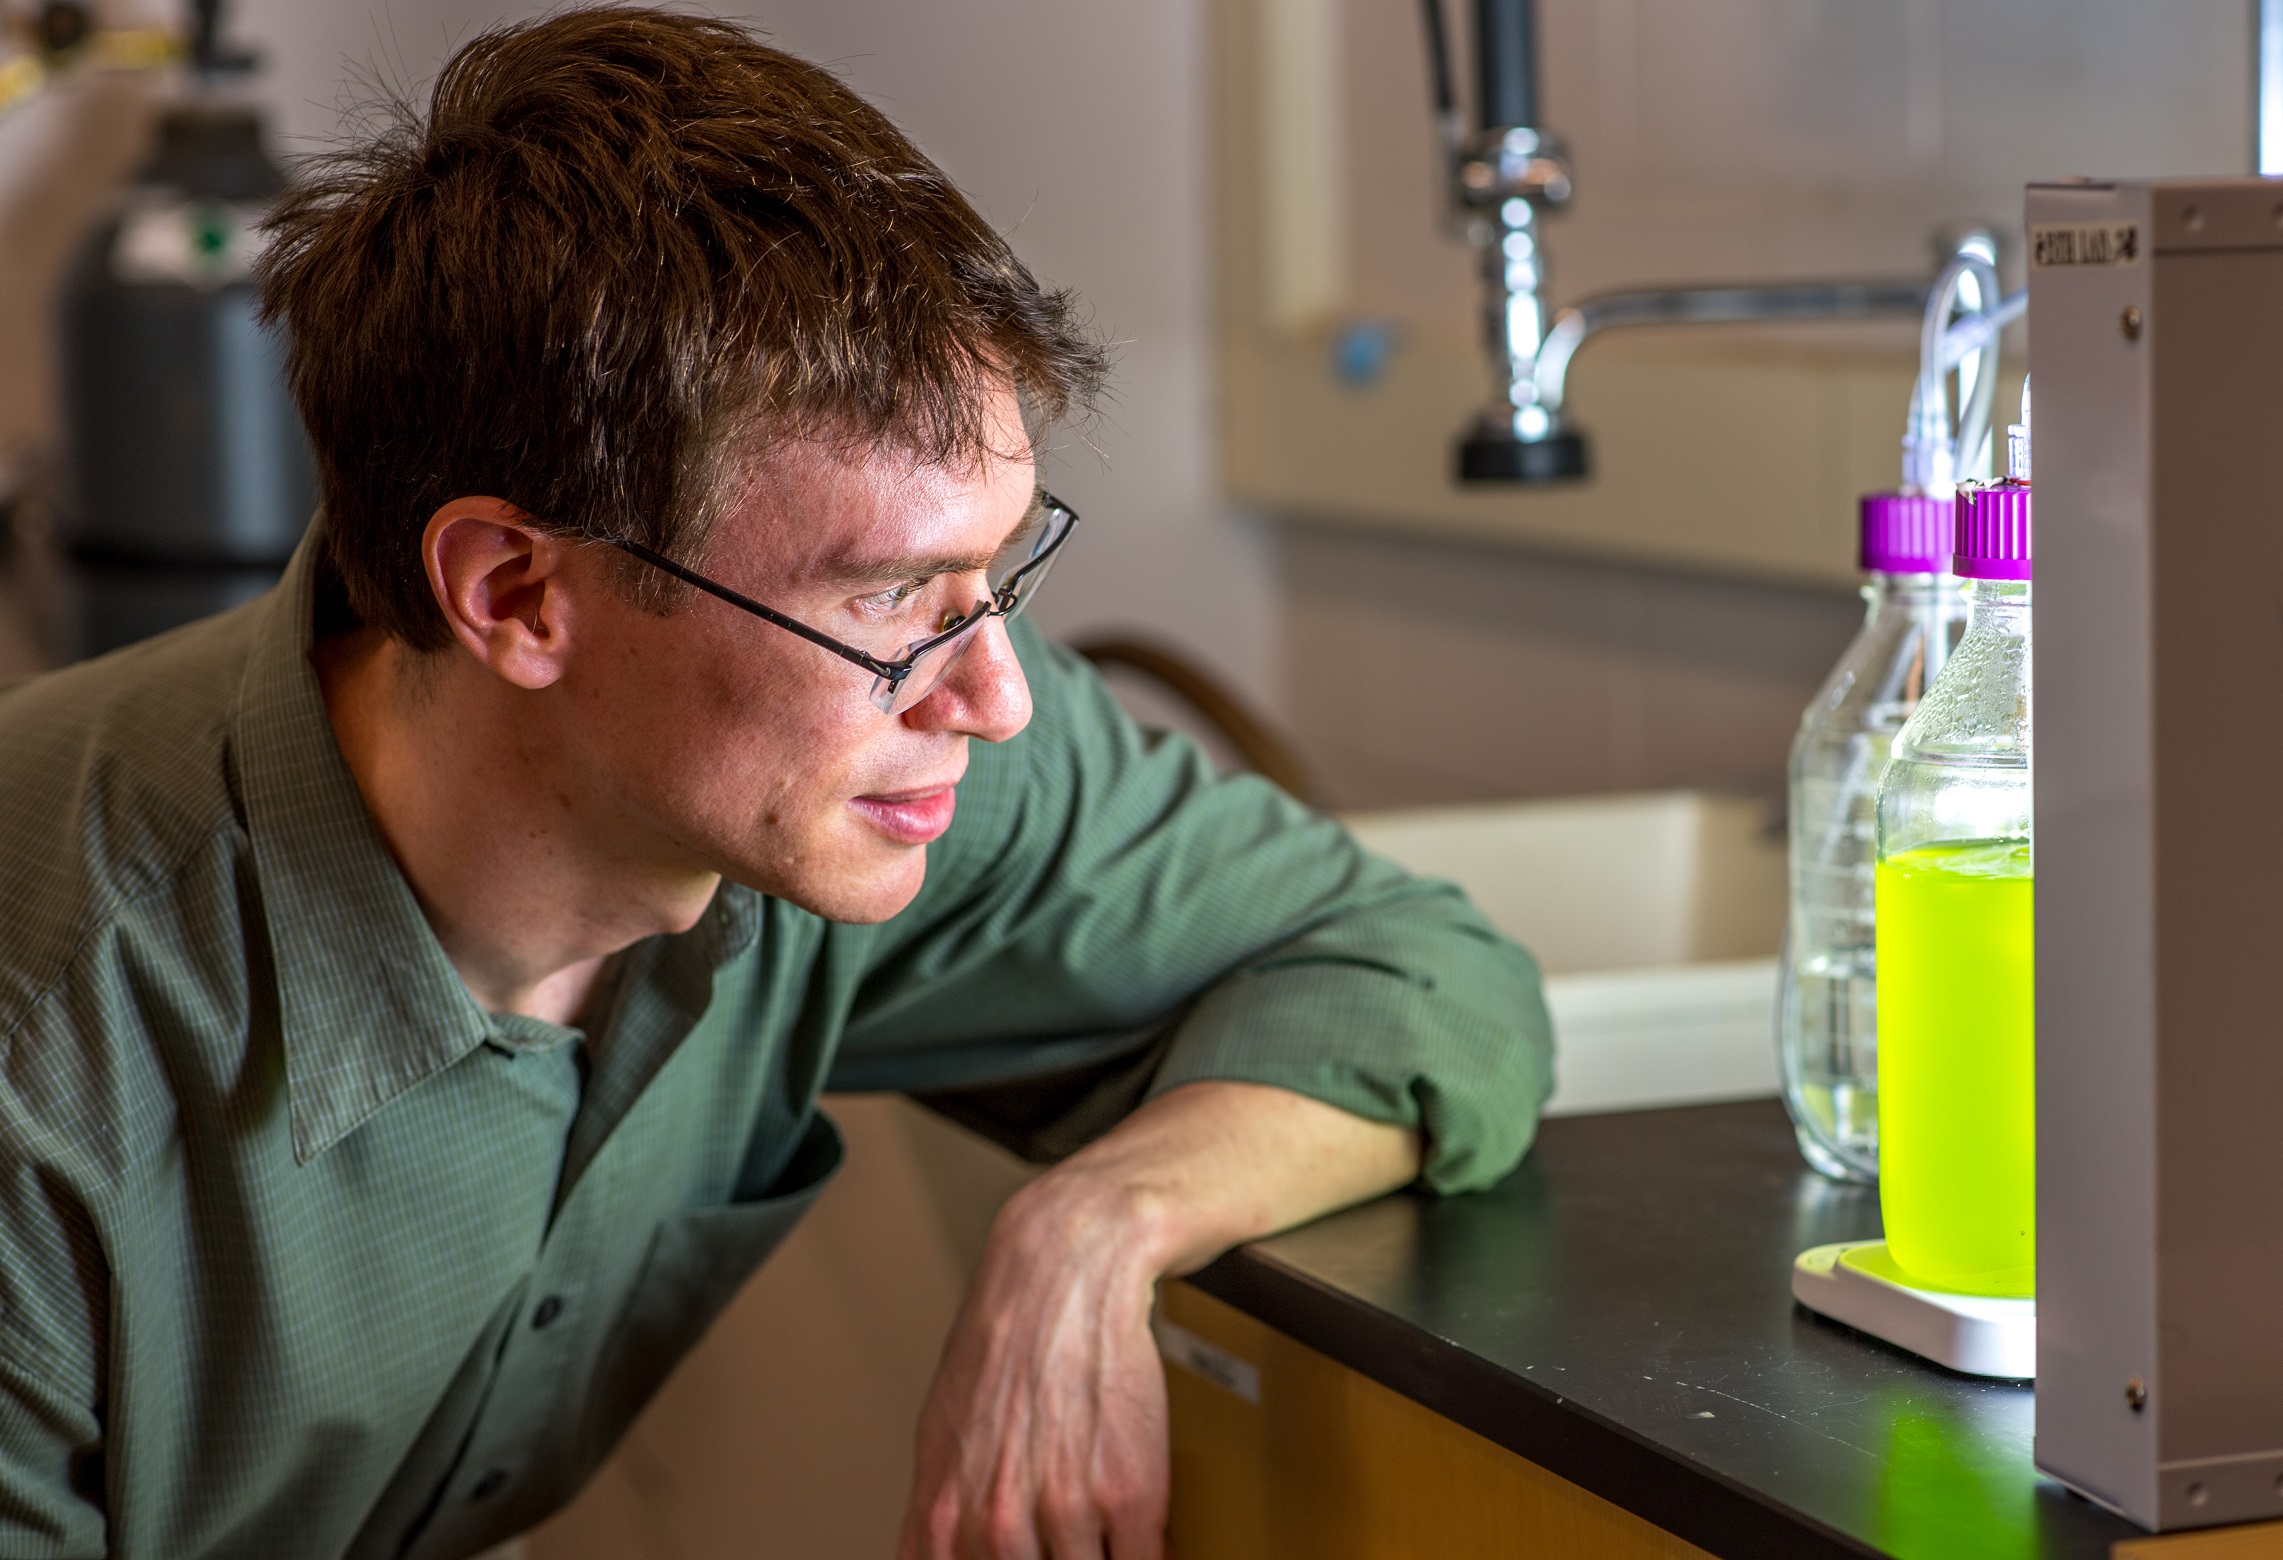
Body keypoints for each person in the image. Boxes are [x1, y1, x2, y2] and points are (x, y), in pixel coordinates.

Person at [0, 8, 1552, 1557]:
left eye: (998, 569)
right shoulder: (49, 1053)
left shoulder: (851, 760)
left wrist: (1095, 1225)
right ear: (517, 595)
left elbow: (1425, 975)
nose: (996, 699)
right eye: (887, 593)